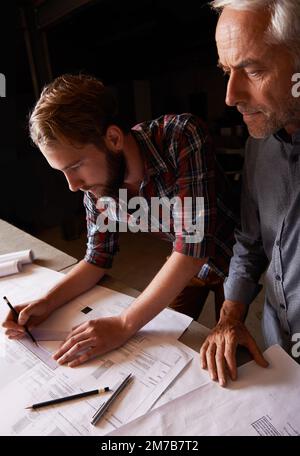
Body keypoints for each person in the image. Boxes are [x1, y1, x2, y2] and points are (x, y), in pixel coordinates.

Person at [2, 73, 238, 367]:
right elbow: (96, 259)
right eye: (62, 171)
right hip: (187, 262)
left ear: (113, 138)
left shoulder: (181, 136)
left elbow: (192, 246)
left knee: (228, 356)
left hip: (235, 258)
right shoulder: (97, 184)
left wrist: (125, 323)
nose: (72, 185)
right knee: (172, 341)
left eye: (75, 166)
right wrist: (46, 302)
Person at [200, 0, 300, 386]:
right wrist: (230, 317)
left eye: (253, 70)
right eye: (227, 71)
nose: (229, 95)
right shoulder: (259, 142)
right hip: (277, 343)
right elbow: (251, 241)